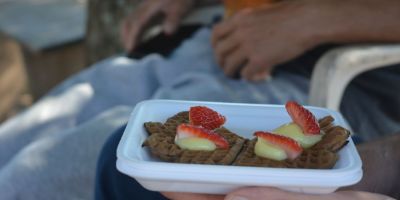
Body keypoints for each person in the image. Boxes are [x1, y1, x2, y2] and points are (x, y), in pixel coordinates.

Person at [0, 0, 398, 199]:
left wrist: (315, 18)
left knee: (34, 177)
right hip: (216, 40)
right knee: (15, 141)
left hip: (328, 79)